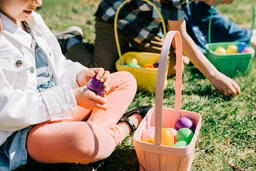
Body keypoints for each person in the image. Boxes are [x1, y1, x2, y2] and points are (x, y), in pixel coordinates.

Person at [0, 0, 152, 171]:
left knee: (125, 80)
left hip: (57, 110)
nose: (38, 2)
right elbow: (5, 110)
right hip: (25, 132)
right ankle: (123, 128)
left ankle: (83, 144)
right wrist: (71, 98)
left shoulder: (32, 19)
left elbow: (59, 65)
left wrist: (80, 76)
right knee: (84, 140)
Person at [59, 0, 250, 96]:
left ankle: (123, 52)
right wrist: (214, 75)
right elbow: (179, 34)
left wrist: (180, 52)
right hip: (115, 19)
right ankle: (70, 41)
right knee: (104, 70)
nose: (227, 2)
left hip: (144, 26)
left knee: (169, 65)